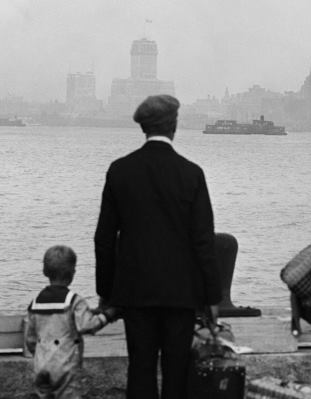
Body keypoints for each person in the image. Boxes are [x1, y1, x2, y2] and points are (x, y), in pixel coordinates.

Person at [94, 94, 222, 399]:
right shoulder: (192, 174)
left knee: (140, 369)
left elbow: (104, 238)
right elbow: (204, 240)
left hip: (135, 291)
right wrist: (212, 295)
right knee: (177, 372)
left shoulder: (120, 170)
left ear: (144, 128)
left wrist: (106, 291)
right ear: (174, 126)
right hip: (181, 294)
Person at [24, 245, 116, 399]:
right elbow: (86, 325)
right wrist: (107, 315)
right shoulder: (74, 301)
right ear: (73, 272)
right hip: (66, 365)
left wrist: (39, 353)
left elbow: (30, 338)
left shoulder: (35, 303)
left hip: (41, 365)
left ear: (45, 272)